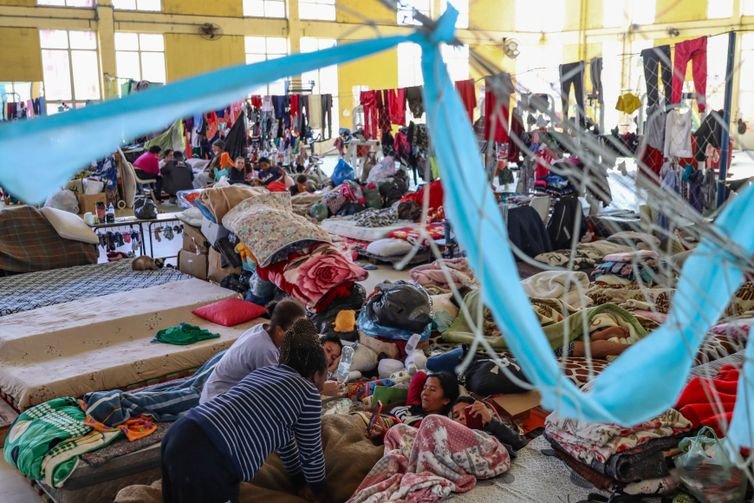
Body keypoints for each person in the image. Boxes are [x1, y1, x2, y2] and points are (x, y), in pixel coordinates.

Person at [162, 319, 330, 503]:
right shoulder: (309, 392)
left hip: (181, 430)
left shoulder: (265, 372)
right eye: (326, 374)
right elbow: (311, 452)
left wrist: (298, 481)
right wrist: (321, 493)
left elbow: (286, 441)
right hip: (211, 453)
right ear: (315, 375)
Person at [199, 299, 307, 404]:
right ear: (279, 331)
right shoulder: (265, 350)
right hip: (217, 403)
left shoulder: (261, 329)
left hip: (211, 393)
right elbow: (276, 391)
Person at [451, 396, 527, 455]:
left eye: (466, 412)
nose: (461, 417)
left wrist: (490, 420)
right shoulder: (454, 443)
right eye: (456, 416)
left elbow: (521, 444)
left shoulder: (492, 429)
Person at [387, 372, 459, 428]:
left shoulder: (437, 426)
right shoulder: (411, 407)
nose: (425, 393)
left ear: (446, 400)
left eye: (432, 389)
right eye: (424, 388)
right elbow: (419, 375)